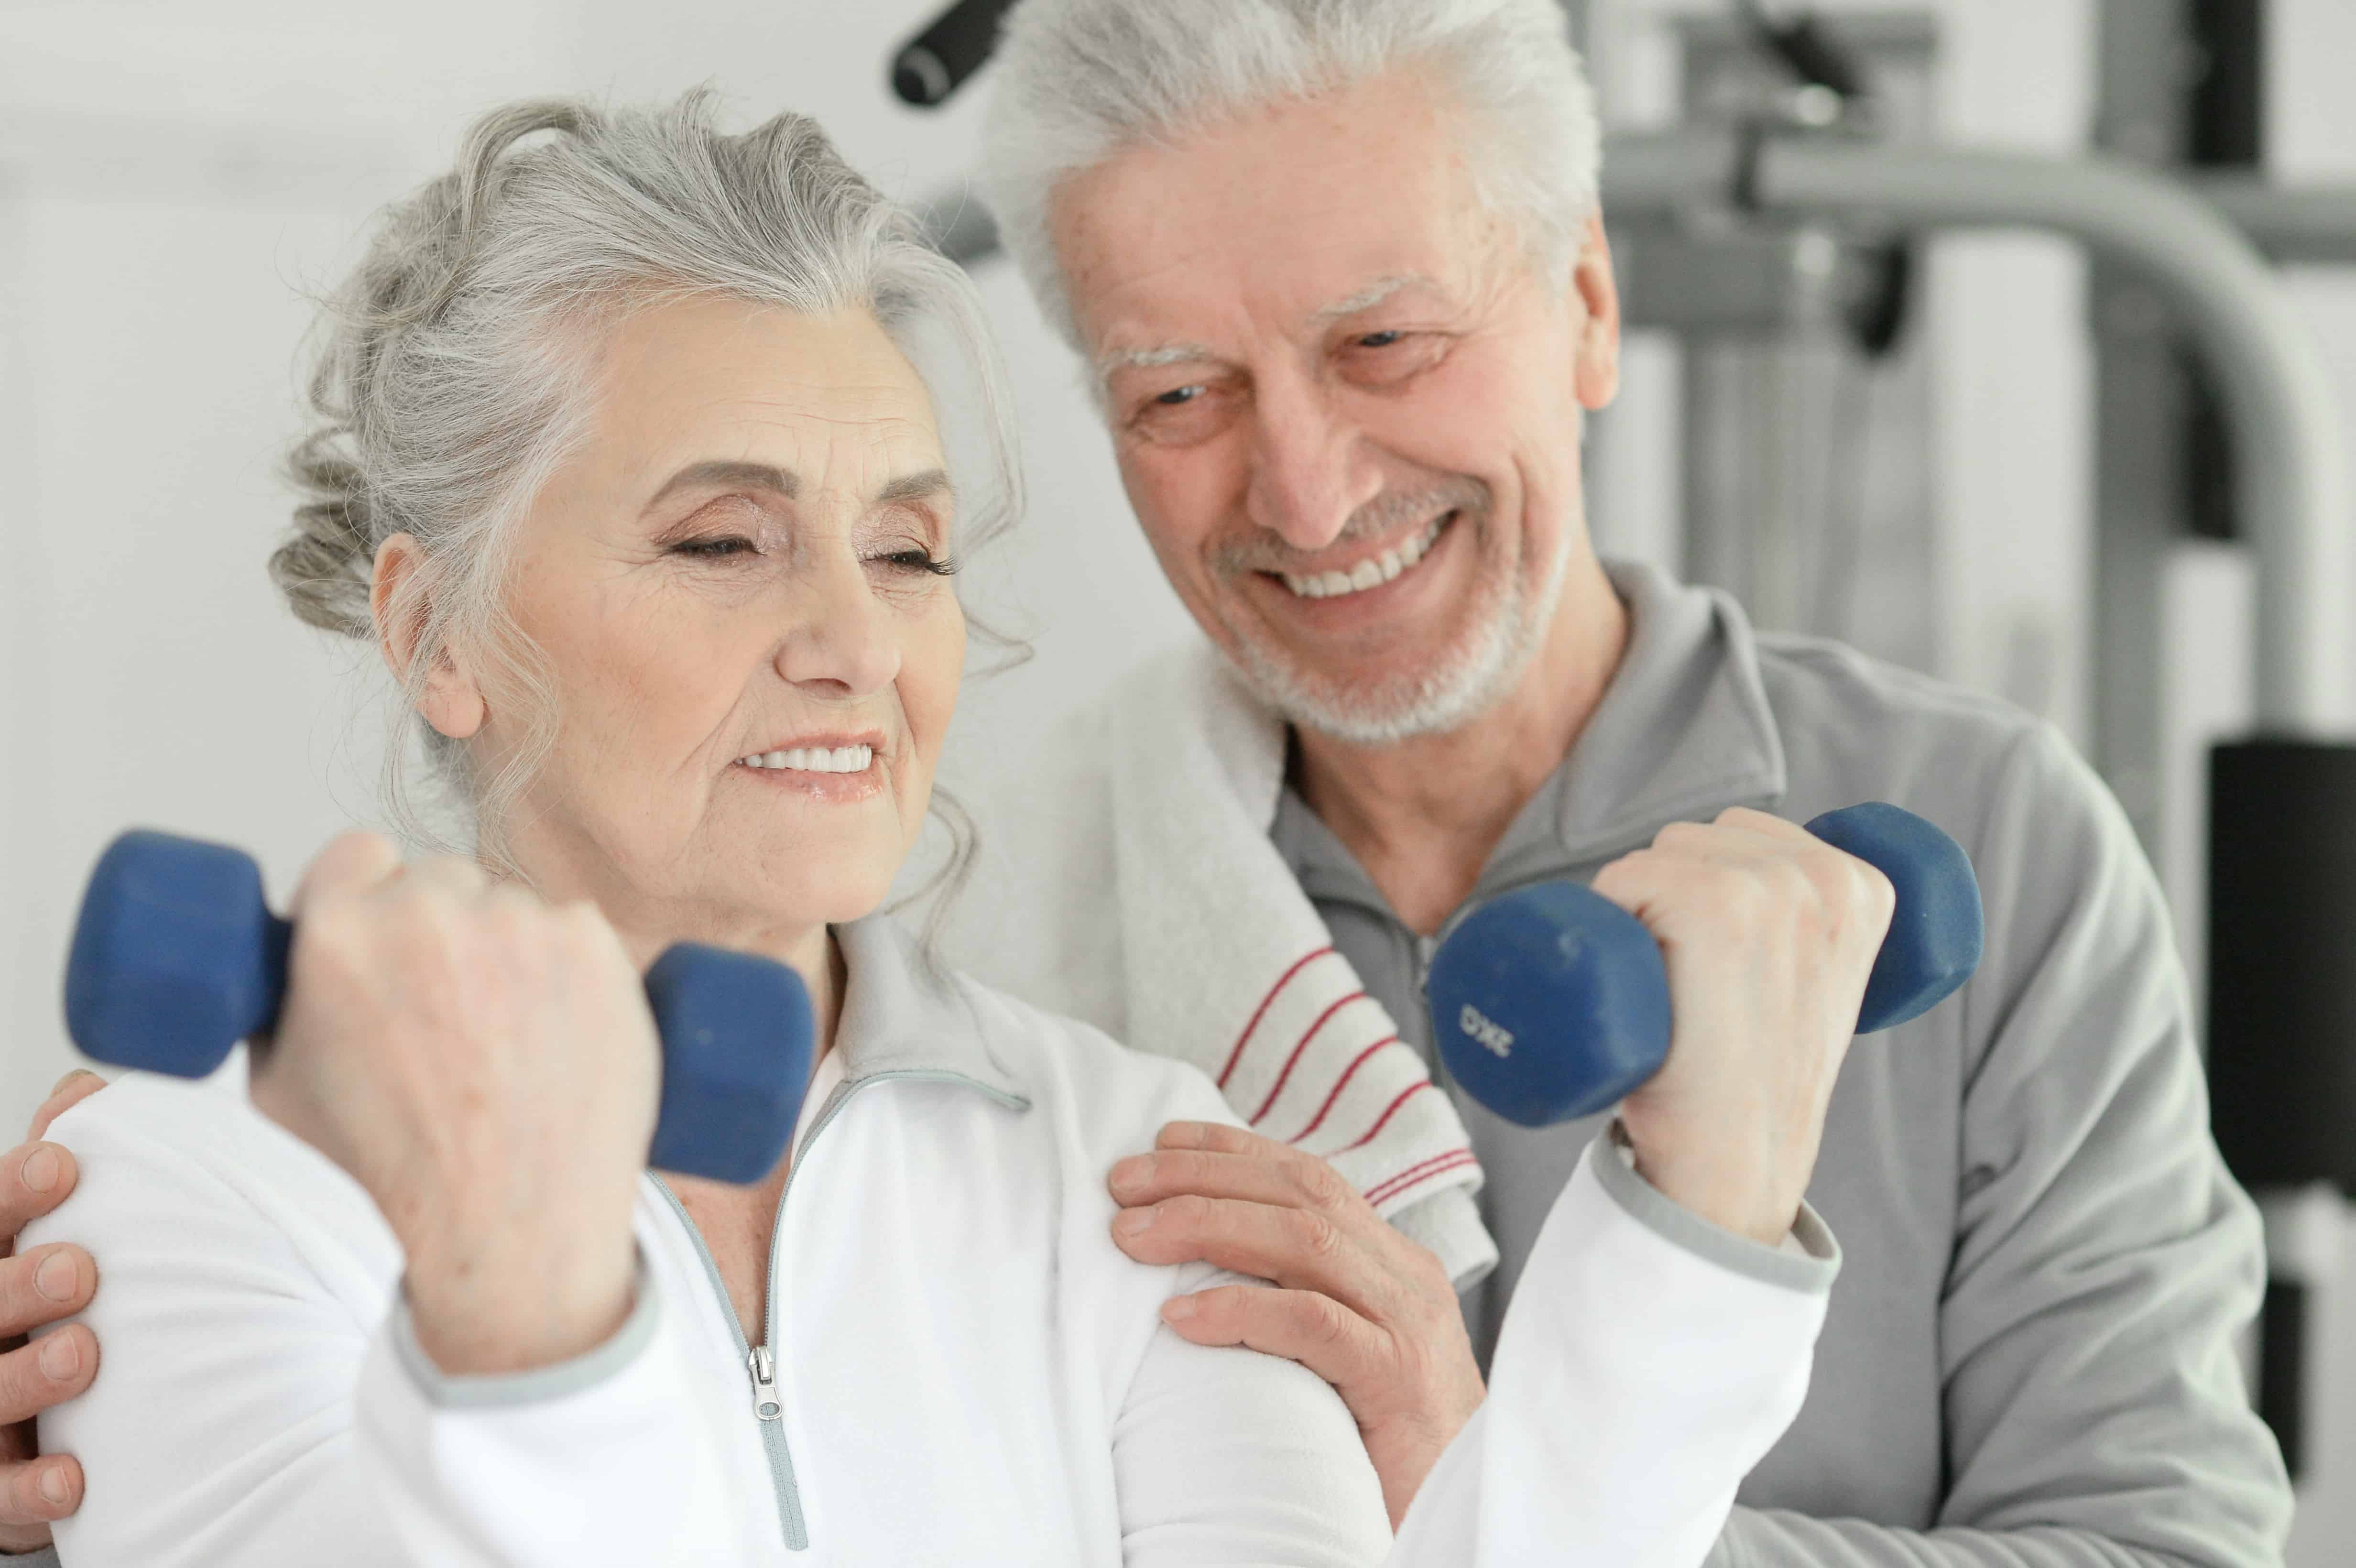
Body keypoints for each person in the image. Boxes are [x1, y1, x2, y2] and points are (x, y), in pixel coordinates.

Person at [1, 90, 1875, 1567]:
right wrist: (523, 1303)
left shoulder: (1136, 1166)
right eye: (723, 542)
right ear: (435, 632)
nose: (850, 643)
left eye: (903, 549)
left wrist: (1689, 1271)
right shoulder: (187, 1187)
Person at [918, 0, 2291, 1562]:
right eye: (1180, 393)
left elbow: (2164, 1548)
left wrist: (1520, 1496)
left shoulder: (1995, 835)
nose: (1305, 493)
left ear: (1583, 299)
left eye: (1383, 343)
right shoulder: (986, 925)